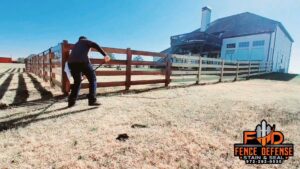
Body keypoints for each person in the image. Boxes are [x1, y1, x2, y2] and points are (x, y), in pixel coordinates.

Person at [67, 36, 110, 107]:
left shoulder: (76, 45)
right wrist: (105, 55)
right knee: (93, 79)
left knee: (77, 82)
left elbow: (77, 57)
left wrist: (82, 74)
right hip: (83, 62)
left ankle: (71, 102)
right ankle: (92, 100)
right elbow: (95, 44)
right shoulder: (84, 41)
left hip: (71, 64)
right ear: (84, 39)